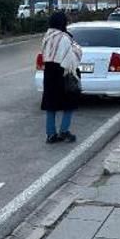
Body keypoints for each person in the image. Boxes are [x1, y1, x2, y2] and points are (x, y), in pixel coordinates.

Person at [40, 12, 82, 144]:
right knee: (69, 104)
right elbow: (71, 58)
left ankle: (50, 134)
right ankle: (64, 131)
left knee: (50, 105)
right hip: (62, 74)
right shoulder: (64, 38)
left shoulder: (47, 37)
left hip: (49, 73)